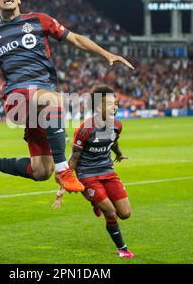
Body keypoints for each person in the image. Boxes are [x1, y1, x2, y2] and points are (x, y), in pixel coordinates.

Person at [0, 0, 134, 192]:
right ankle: (64, 170)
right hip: (17, 98)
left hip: (42, 103)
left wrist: (106, 54)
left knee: (40, 171)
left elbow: (75, 38)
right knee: (54, 100)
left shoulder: (39, 20)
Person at [52, 85, 134, 258]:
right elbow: (73, 159)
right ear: (98, 107)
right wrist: (62, 189)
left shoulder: (118, 125)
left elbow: (113, 141)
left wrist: (118, 154)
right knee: (111, 213)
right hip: (88, 175)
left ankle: (96, 202)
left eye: (116, 104)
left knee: (125, 214)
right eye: (111, 104)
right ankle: (122, 249)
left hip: (108, 171)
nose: (115, 107)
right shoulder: (85, 129)